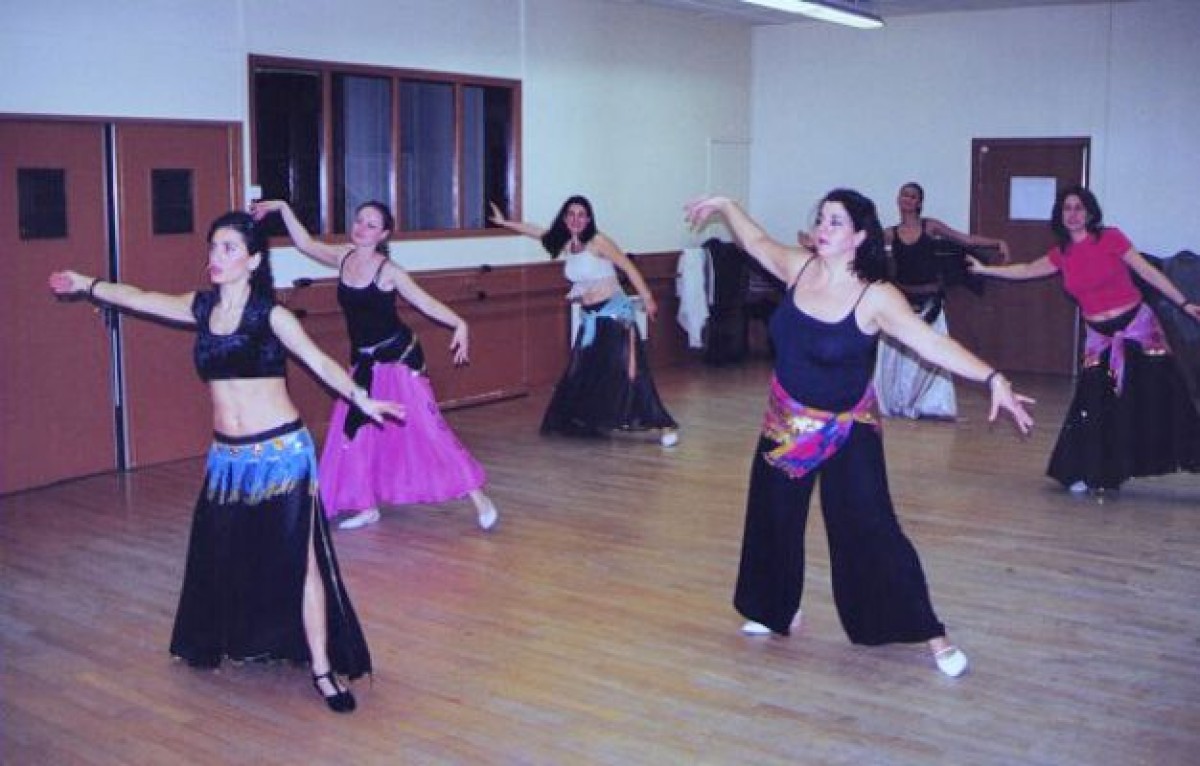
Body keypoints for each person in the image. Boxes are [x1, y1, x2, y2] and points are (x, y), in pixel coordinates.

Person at [48, 211, 403, 713]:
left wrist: (361, 398)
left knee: (301, 561)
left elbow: (320, 361)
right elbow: (139, 297)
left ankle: (323, 670)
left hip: (281, 455)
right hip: (227, 460)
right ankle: (245, 638)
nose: (216, 257)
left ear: (253, 261)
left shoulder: (271, 316)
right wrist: (87, 284)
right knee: (225, 554)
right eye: (213, 247)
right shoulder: (201, 308)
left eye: (229, 248)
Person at [684, 190, 1034, 677]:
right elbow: (757, 241)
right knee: (772, 517)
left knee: (871, 527)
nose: (823, 228)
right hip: (787, 423)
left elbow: (932, 343)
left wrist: (992, 378)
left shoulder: (876, 296)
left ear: (859, 236)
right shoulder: (798, 267)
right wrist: (725, 204)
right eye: (821, 219)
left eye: (836, 222)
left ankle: (931, 633)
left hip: (849, 429)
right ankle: (772, 608)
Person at [250, 199, 499, 532]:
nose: (361, 228)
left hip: (399, 360)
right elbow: (305, 243)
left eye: (371, 225)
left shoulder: (389, 271)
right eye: (359, 221)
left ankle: (479, 498)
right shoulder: (343, 257)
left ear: (383, 234)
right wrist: (282, 208)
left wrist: (459, 323)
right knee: (353, 433)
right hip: (364, 363)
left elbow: (424, 301)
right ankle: (365, 506)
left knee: (427, 429)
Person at [968, 185, 1200, 492]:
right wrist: (986, 270)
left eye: (1078, 208)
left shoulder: (1111, 238)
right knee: (1093, 401)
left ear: (1089, 213)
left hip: (1138, 331)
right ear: (1060, 215)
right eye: (1067, 208)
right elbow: (1025, 269)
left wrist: (1184, 303)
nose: (1073, 214)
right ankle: (1088, 471)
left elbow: (1148, 273)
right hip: (1100, 339)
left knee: (1163, 397)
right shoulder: (1062, 254)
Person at [489, 197, 679, 446]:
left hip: (614, 315)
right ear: (565, 218)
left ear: (589, 219)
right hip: (591, 318)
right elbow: (537, 231)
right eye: (571, 214)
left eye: (581, 215)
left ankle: (655, 424)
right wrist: (506, 223)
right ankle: (593, 419)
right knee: (584, 370)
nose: (576, 219)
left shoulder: (598, 241)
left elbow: (627, 266)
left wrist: (648, 298)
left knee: (627, 370)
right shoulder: (568, 243)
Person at [876, 182, 1011, 420]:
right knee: (898, 359)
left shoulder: (930, 226)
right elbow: (859, 245)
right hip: (903, 302)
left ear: (919, 202)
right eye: (904, 195)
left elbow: (966, 240)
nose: (907, 199)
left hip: (930, 301)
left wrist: (996, 242)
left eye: (913, 196)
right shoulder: (889, 234)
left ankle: (928, 405)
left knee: (930, 355)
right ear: (898, 200)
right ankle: (896, 403)